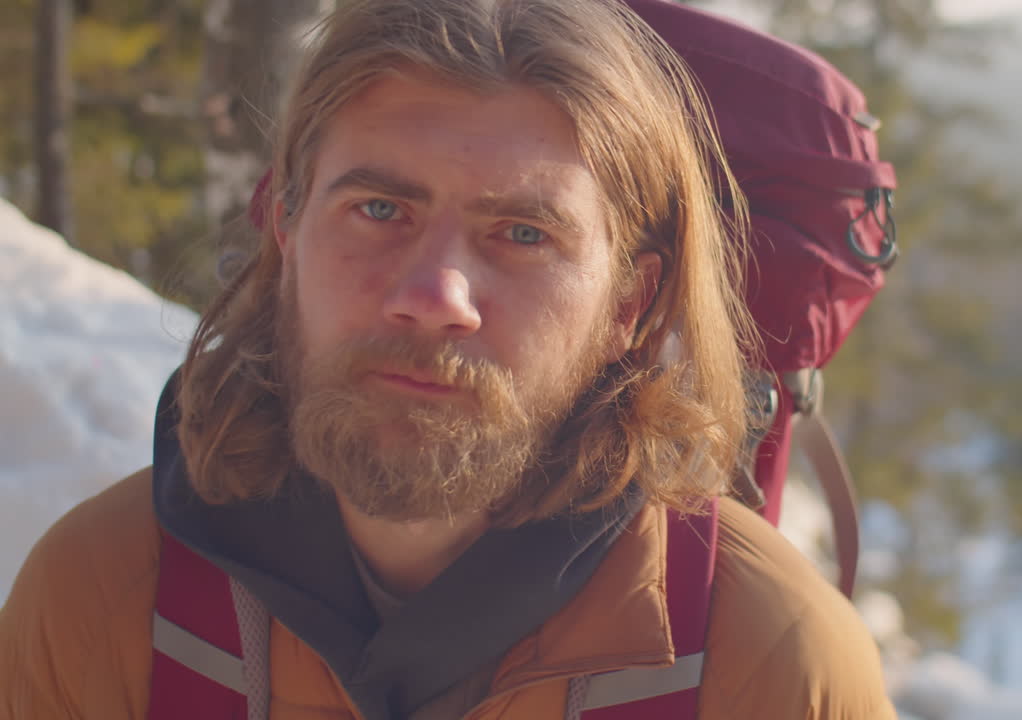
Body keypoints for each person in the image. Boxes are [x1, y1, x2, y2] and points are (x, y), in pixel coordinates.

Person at [0, 0, 897, 718]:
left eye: (521, 233)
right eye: (380, 209)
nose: (433, 293)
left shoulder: (768, 664)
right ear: (286, 231)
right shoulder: (109, 598)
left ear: (629, 303)